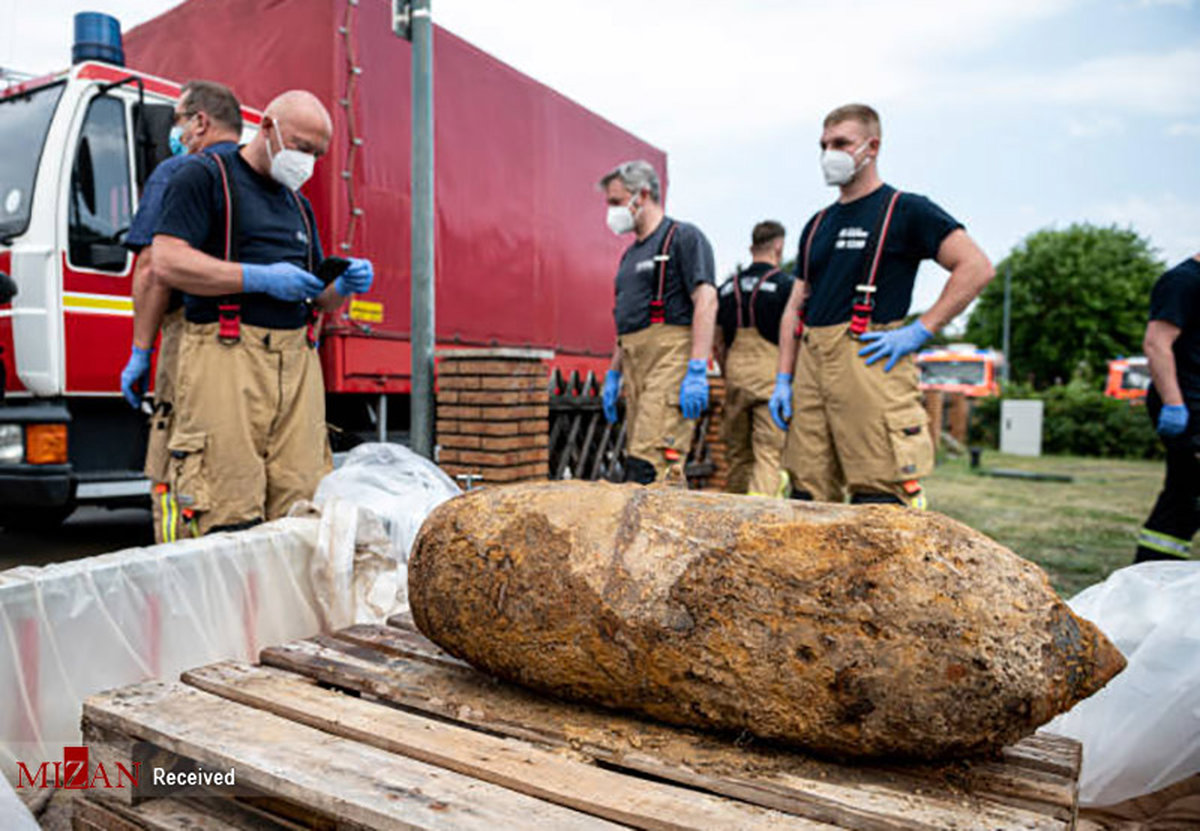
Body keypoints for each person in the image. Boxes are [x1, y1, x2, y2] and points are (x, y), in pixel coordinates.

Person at [151, 90, 374, 535]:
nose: (306, 161)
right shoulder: (204, 177)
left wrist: (339, 288)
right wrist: (256, 278)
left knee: (301, 507)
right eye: (301, 146)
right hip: (225, 355)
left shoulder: (299, 205)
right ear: (268, 127)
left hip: (295, 363)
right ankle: (222, 606)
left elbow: (317, 298)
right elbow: (167, 260)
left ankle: (279, 606)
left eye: (317, 153)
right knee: (225, 508)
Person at [769, 104, 993, 506]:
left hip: (871, 360)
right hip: (812, 366)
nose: (829, 153)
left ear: (872, 147)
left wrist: (921, 330)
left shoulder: (905, 210)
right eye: (823, 145)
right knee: (806, 491)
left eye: (841, 143)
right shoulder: (817, 224)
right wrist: (784, 378)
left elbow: (975, 268)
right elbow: (793, 307)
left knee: (879, 494)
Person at [119, 80, 243, 543]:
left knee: (175, 466)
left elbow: (153, 269)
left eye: (178, 119)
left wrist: (140, 353)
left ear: (200, 122)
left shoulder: (180, 171)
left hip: (190, 341)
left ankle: (175, 566)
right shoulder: (259, 177)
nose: (176, 130)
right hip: (255, 349)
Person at [598, 160, 718, 485]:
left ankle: (653, 533)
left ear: (643, 194)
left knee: (648, 460)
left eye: (616, 202)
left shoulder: (683, 238)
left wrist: (696, 367)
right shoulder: (630, 256)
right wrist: (614, 372)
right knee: (649, 462)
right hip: (635, 359)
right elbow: (625, 322)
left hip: (670, 357)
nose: (610, 211)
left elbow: (706, 300)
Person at [716, 221, 794, 496]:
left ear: (752, 247)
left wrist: (729, 371)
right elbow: (794, 338)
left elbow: (718, 342)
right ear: (778, 246)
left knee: (737, 454)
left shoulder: (725, 288)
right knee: (769, 453)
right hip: (771, 379)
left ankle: (733, 516)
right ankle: (761, 518)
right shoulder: (787, 286)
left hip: (735, 376)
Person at [1134, 253, 1200, 562]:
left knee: (1185, 500)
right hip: (1189, 408)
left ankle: (1153, 577)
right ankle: (1150, 577)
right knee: (1184, 500)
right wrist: (1174, 405)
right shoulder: (1183, 282)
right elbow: (1157, 343)